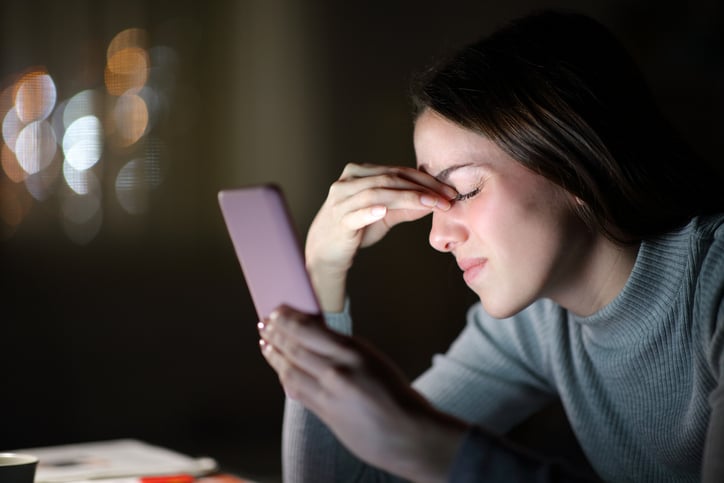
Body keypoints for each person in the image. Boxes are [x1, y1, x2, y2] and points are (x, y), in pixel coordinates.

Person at [256, 9, 724, 482]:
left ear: (575, 162)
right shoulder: (538, 323)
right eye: (433, 198)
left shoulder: (715, 287)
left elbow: (408, 448)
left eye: (463, 190)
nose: (438, 238)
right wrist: (319, 275)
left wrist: (422, 441)